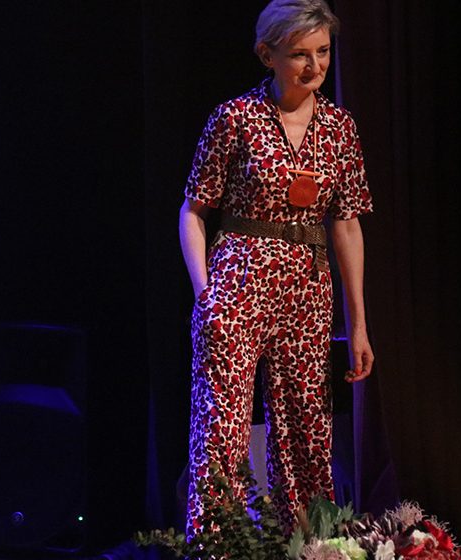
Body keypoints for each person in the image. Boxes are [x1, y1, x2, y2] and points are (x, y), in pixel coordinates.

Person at [179, 0, 374, 536]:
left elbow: (347, 225)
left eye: (323, 52)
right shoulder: (234, 118)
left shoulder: (339, 128)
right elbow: (193, 212)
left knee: (307, 431)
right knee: (222, 427)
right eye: (300, 55)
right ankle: (218, 546)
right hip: (238, 281)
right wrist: (205, 294)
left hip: (307, 288)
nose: (315, 66)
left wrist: (358, 325)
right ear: (267, 55)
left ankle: (309, 546)